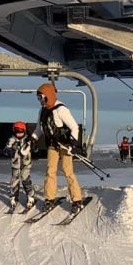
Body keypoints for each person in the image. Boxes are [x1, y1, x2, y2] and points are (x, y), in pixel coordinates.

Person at [31, 82, 84, 214]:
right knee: (50, 171)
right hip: (52, 145)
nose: (40, 101)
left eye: (42, 97)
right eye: (38, 98)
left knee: (67, 171)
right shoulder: (42, 111)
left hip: (65, 145)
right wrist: (33, 138)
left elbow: (74, 127)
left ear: (48, 96)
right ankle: (49, 198)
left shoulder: (61, 109)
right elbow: (40, 128)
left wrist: (73, 143)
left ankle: (77, 199)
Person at [4, 121, 35, 212]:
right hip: (15, 164)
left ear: (24, 131)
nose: (19, 133)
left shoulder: (28, 140)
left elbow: (35, 148)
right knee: (14, 181)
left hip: (26, 164)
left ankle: (30, 197)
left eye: (21, 131)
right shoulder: (11, 140)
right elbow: (6, 149)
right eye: (17, 131)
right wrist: (9, 151)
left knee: (25, 179)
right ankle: (14, 198)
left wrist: (34, 147)